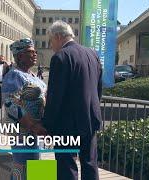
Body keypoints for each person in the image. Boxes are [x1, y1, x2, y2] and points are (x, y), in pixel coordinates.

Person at [43, 20, 102, 180]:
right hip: (90, 119)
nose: (51, 45)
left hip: (67, 124)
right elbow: (98, 89)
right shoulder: (92, 54)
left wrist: (46, 125)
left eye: (51, 40)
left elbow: (55, 97)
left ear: (58, 36)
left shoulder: (60, 57)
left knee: (66, 167)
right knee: (90, 164)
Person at [2, 38, 47, 180]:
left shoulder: (33, 75)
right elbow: (11, 104)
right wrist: (33, 126)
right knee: (23, 166)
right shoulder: (14, 75)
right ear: (20, 56)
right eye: (30, 52)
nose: (34, 54)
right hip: (24, 131)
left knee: (36, 166)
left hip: (37, 131)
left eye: (35, 52)